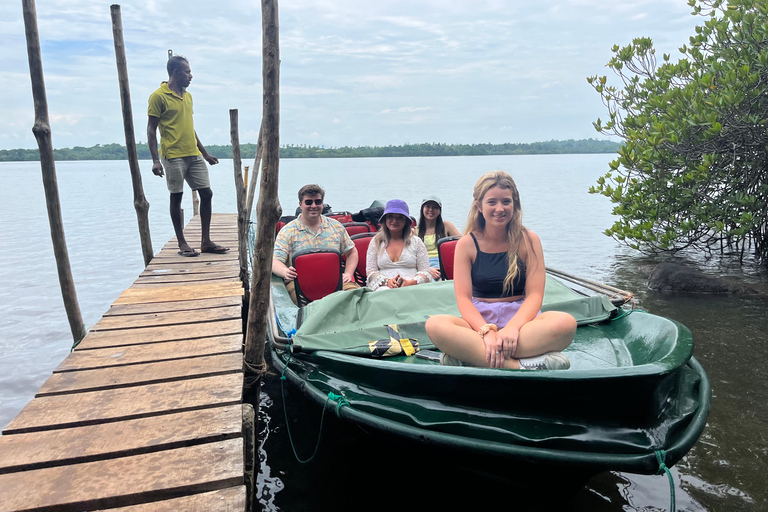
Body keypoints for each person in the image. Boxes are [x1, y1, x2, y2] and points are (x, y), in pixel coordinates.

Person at [425, 171, 576, 370]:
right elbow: (463, 299)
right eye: (492, 202)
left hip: (523, 324)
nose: (499, 209)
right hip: (479, 322)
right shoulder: (466, 244)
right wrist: (486, 332)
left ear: (515, 204)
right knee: (435, 325)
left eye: (506, 201)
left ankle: (471, 355)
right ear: (479, 206)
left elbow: (535, 295)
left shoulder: (529, 240)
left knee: (565, 322)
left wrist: (513, 328)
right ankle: (518, 366)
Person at [147, 55, 228, 257]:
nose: (190, 76)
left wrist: (205, 153)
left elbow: (190, 128)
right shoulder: (158, 96)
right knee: (177, 196)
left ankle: (206, 241)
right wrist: (155, 160)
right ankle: (182, 242)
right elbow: (151, 129)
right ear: (176, 72)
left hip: (193, 153)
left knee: (207, 193)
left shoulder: (188, 96)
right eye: (187, 72)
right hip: (173, 155)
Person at [272, 184, 360, 305]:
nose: (313, 206)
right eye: (308, 202)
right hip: (299, 285)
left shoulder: (335, 227)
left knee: (358, 299)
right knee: (306, 310)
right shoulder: (288, 231)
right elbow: (274, 261)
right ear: (300, 204)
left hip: (334, 281)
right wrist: (285, 272)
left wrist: (348, 273)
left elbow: (352, 252)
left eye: (317, 202)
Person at [366, 200, 432, 291]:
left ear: (406, 221)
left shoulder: (416, 242)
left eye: (400, 217)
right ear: (385, 219)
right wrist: (387, 282)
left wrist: (412, 282)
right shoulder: (376, 242)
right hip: (383, 289)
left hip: (412, 288)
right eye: (390, 216)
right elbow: (371, 272)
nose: (395, 221)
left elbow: (425, 272)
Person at [416, 195, 461, 280]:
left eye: (435, 207)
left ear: (439, 211)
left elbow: (463, 242)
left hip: (444, 262)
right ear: (422, 209)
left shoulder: (446, 226)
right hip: (425, 264)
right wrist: (428, 269)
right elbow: (411, 256)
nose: (431, 210)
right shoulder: (415, 231)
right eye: (428, 206)